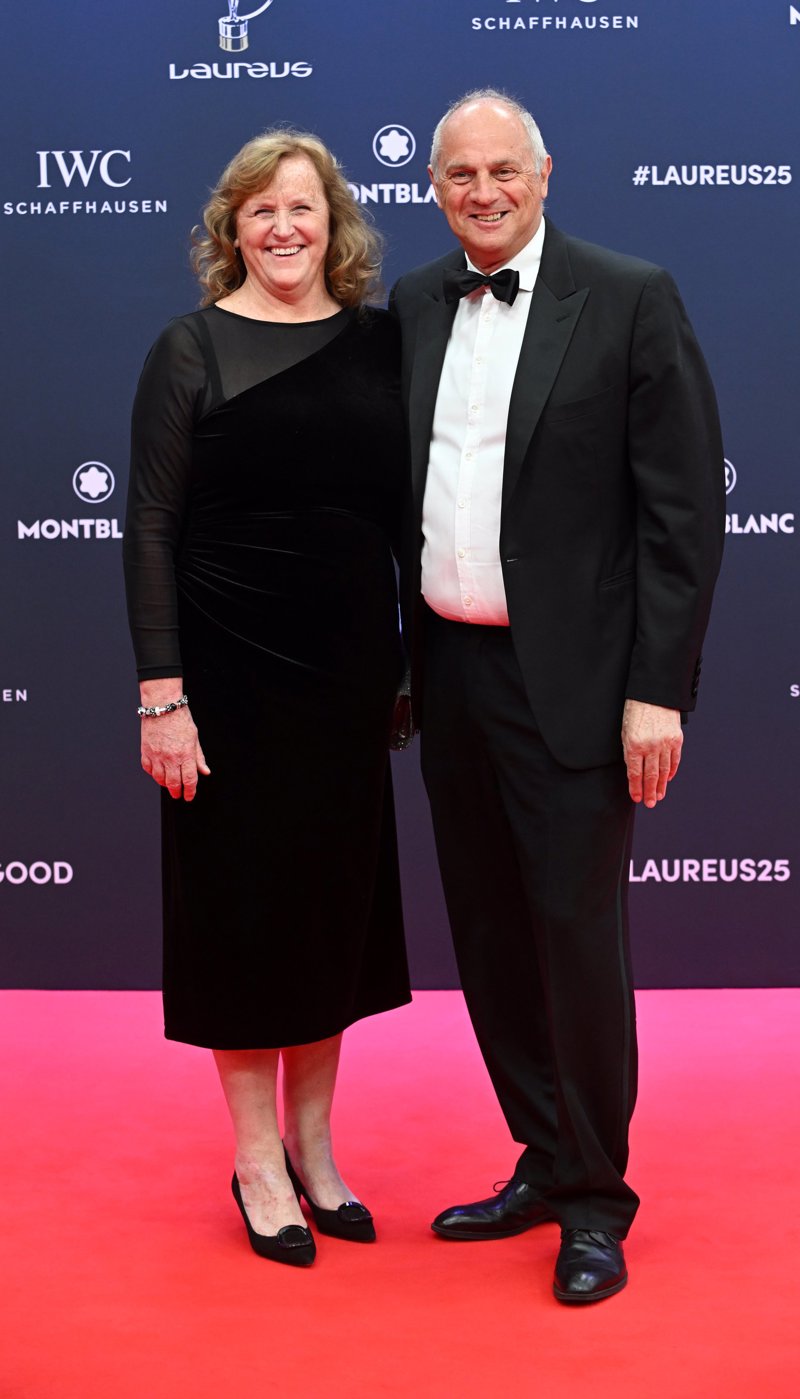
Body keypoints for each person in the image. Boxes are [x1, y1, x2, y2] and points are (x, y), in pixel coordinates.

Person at [390, 90, 724, 1303]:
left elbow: (680, 516)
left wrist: (656, 692)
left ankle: (593, 1199)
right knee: (487, 937)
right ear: (433, 188)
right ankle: (541, 1154)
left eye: (501, 170)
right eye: (458, 174)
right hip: (451, 675)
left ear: (543, 174)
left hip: (577, 684)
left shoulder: (628, 296)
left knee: (573, 941)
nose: (480, 191)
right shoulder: (416, 302)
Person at [123, 130, 411, 1267]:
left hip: (346, 681)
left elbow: (405, 516)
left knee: (330, 913)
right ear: (231, 230)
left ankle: (313, 1148)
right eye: (260, 211)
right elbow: (149, 525)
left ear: (333, 221)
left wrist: (403, 666)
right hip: (227, 680)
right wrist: (163, 696)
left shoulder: (381, 343)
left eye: (302, 207)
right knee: (240, 917)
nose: (283, 227)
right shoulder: (189, 347)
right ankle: (254, 1159)